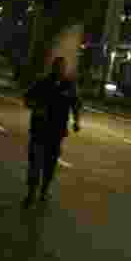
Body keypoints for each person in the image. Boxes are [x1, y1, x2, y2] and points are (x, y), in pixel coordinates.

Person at [22, 56, 81, 208]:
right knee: (35, 164)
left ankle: (44, 190)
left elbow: (76, 104)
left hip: (56, 133)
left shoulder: (69, 86)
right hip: (39, 131)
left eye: (62, 67)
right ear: (53, 68)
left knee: (50, 165)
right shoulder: (42, 83)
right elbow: (27, 99)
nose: (60, 70)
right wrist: (36, 107)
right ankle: (30, 193)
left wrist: (76, 121)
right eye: (58, 67)